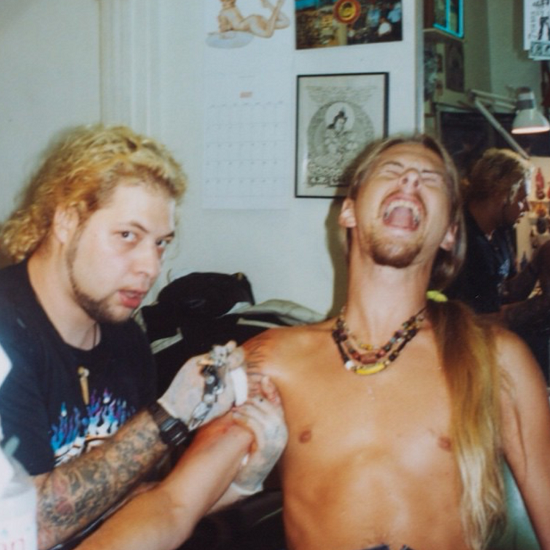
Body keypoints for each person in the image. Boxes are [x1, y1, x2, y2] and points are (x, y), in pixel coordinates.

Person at [244, 135, 550, 550]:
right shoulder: (273, 358)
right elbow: (178, 503)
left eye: (430, 179)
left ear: (449, 232)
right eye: (391, 170)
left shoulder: (497, 360)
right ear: (348, 210)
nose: (409, 179)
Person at [0, 125, 287, 550]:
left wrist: (243, 478)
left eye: (160, 244)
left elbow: (145, 506)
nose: (150, 268)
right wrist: (168, 414)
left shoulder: (126, 341)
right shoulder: (7, 335)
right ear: (66, 220)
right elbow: (31, 526)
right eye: (128, 236)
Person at [446, 148, 550, 381]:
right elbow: (482, 320)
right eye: (522, 198)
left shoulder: (501, 232)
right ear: (502, 194)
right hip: (468, 358)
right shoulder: (463, 243)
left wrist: (539, 258)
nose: (526, 206)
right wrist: (544, 304)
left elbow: (506, 292)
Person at [217, 0, 289, 38]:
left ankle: (278, 6)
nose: (223, 3)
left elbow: (223, 29)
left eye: (225, 1)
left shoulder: (223, 12)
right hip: (253, 21)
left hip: (251, 23)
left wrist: (225, 28)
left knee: (267, 34)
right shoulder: (233, 8)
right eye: (224, 1)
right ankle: (268, 5)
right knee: (285, 23)